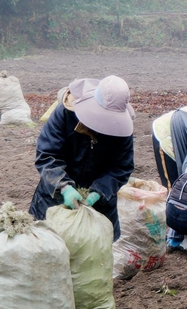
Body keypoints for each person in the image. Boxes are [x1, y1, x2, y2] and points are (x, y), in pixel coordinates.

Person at [29, 76, 135, 241]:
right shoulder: (65, 113)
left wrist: (99, 191)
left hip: (99, 205)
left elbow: (122, 167)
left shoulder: (121, 129)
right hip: (54, 198)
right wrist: (64, 187)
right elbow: (47, 155)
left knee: (97, 253)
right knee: (48, 245)